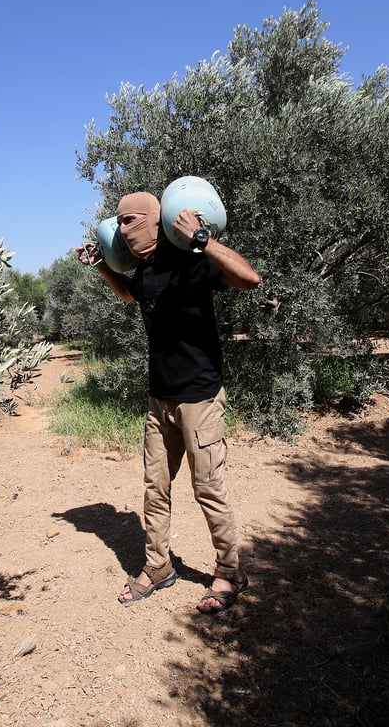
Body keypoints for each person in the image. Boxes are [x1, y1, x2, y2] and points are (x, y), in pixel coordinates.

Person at [76, 189, 261, 614]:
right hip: (159, 401)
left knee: (208, 489)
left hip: (200, 399)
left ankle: (231, 572)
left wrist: (203, 239)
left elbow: (250, 279)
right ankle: (158, 566)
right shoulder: (144, 273)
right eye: (118, 223)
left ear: (150, 220)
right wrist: (104, 265)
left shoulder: (194, 263)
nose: (121, 230)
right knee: (154, 489)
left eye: (128, 222)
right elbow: (129, 294)